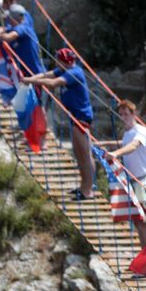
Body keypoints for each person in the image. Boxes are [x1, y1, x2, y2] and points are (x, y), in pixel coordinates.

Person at [21, 47, 94, 198]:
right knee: (78, 153)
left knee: (84, 154)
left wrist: (31, 81)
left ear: (62, 61)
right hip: (74, 117)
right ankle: (83, 187)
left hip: (81, 117)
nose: (56, 63)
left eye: (57, 60)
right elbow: (46, 75)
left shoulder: (74, 73)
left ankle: (88, 190)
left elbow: (53, 83)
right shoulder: (64, 70)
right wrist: (31, 79)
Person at [95, 100, 146, 244]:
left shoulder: (141, 130)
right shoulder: (128, 132)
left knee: (144, 222)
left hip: (141, 180)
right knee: (137, 221)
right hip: (131, 181)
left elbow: (134, 145)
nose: (123, 117)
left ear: (134, 115)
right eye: (120, 114)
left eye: (126, 114)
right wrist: (106, 144)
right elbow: (125, 142)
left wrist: (115, 153)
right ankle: (145, 255)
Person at [0, 2, 40, 79]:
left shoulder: (23, 28)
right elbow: (4, 29)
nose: (8, 20)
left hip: (33, 73)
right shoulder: (16, 26)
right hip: (24, 71)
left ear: (15, 18)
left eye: (9, 18)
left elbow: (9, 37)